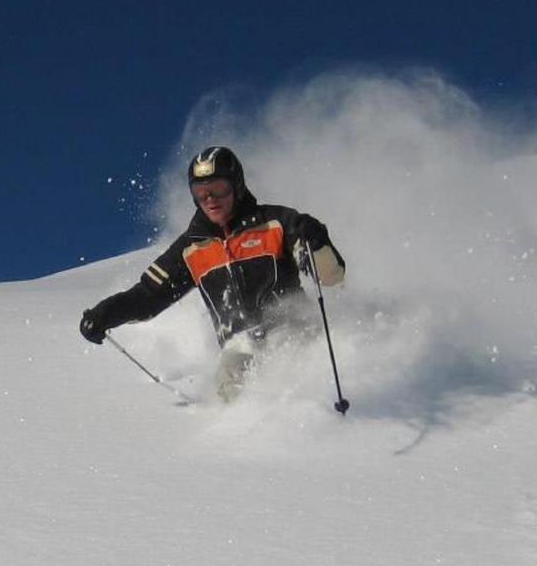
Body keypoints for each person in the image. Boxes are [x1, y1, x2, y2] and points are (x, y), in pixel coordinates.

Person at [80, 146, 345, 400]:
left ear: (237, 185)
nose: (210, 199)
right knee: (230, 384)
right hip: (241, 346)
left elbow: (332, 277)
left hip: (292, 331)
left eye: (218, 188)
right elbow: (148, 296)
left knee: (295, 369)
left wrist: (316, 241)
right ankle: (242, 443)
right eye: (200, 191)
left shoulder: (275, 223)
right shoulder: (191, 249)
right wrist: (106, 314)